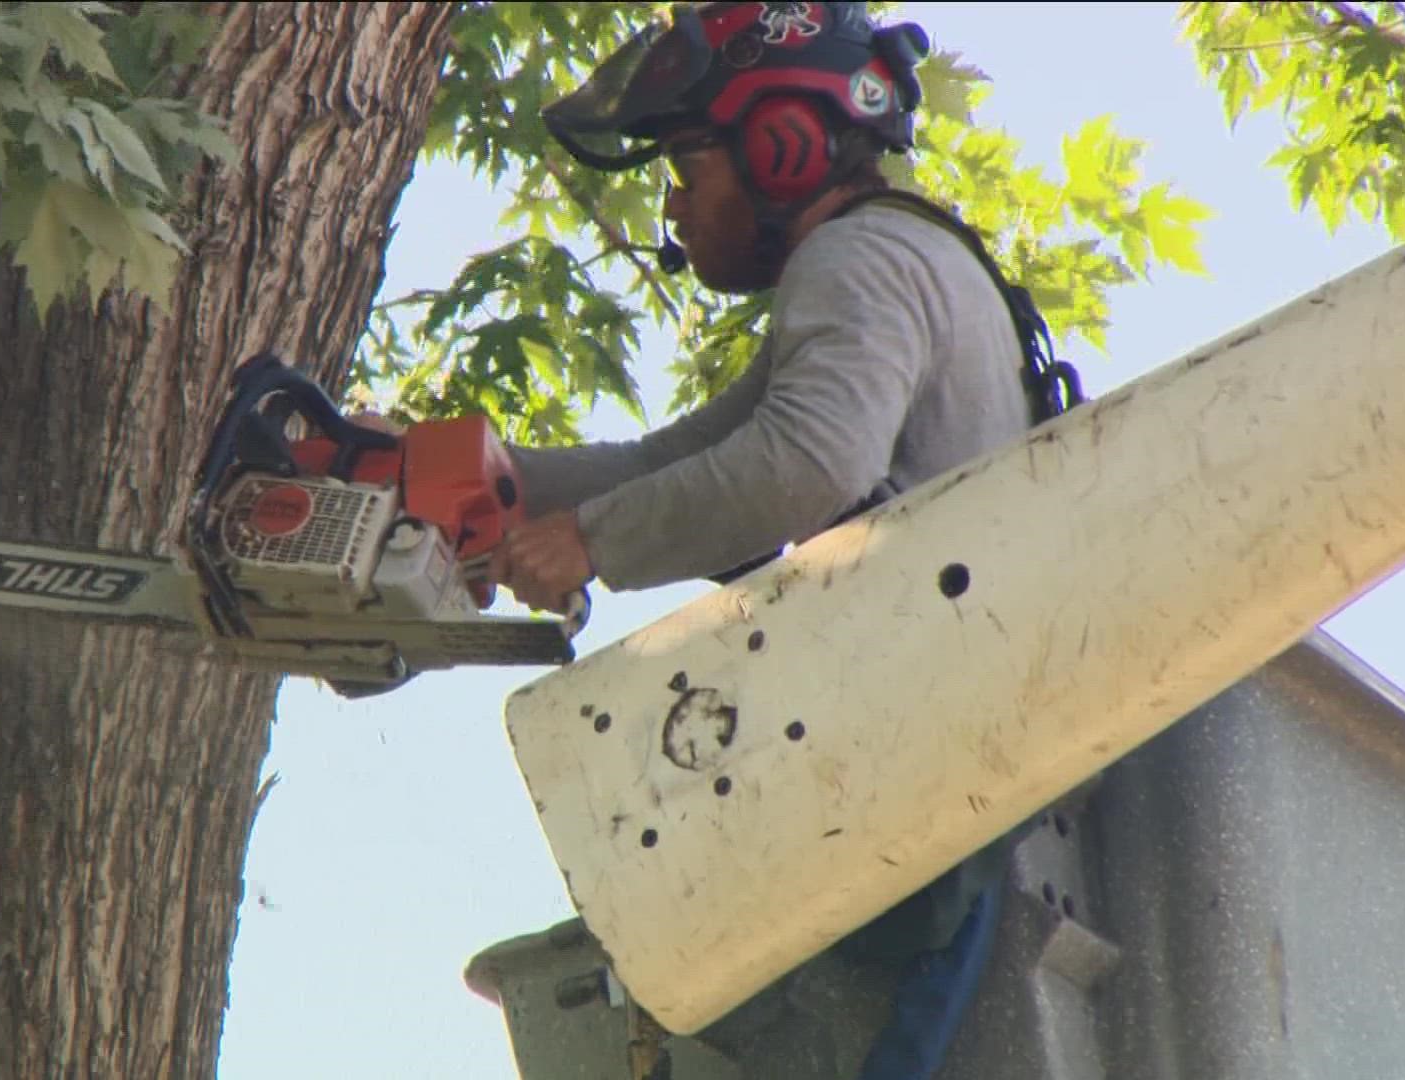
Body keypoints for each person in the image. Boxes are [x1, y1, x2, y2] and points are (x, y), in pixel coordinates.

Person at [462, 3, 1082, 1075]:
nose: (672, 208)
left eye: (685, 172)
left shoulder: (859, 260)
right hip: (934, 804)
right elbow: (685, 459)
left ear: (781, 149)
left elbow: (804, 464)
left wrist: (591, 542)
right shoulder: (894, 258)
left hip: (930, 831)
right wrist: (489, 483)